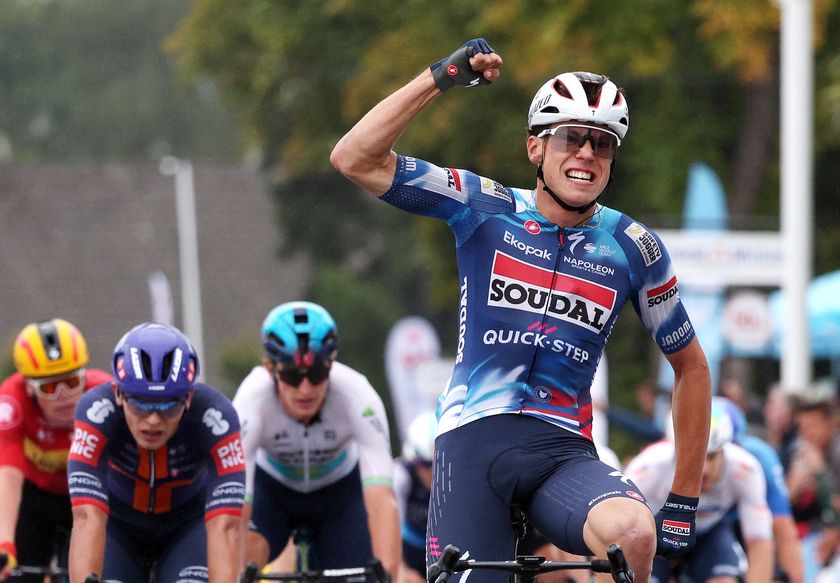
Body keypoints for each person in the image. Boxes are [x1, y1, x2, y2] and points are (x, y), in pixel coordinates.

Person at [330, 38, 712, 583]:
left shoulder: (632, 246)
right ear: (536, 148)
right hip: (474, 443)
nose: (586, 154)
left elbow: (691, 367)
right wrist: (441, 77)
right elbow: (354, 157)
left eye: (602, 144)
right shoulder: (484, 206)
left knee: (633, 534)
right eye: (572, 138)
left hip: (564, 453)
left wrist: (685, 495)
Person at [66, 322, 245, 583]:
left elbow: (225, 526)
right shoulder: (96, 412)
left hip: (188, 525)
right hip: (118, 527)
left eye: (168, 407)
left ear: (189, 397)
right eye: (139, 405)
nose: (152, 421)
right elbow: (86, 517)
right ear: (118, 393)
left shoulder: (216, 416)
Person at [233, 301, 400, 576]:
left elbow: (382, 499)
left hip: (339, 496)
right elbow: (237, 509)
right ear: (269, 368)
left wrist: (388, 574)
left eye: (317, 373)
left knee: (365, 575)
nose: (305, 388)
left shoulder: (358, 396)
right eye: (291, 375)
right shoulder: (251, 402)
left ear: (331, 364)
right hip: (272, 493)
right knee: (244, 564)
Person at [0, 319, 111, 582]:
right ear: (28, 386)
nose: (63, 395)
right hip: (35, 501)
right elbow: (8, 474)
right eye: (49, 387)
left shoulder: (106, 395)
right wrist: (4, 542)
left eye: (72, 382)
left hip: (91, 499)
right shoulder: (11, 401)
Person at [625, 398, 773, 583]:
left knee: (725, 580)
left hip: (708, 533)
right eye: (695, 458)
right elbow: (622, 533)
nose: (704, 470)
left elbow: (759, 541)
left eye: (711, 457)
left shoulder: (745, 470)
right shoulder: (649, 468)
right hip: (655, 535)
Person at [722, 396, 804, 583]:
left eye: (723, 453)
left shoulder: (759, 458)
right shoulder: (664, 462)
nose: (710, 469)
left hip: (741, 523)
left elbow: (783, 527)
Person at [393, 411, 436, 583]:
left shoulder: (460, 476)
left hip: (443, 549)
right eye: (426, 464)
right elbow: (389, 527)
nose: (432, 472)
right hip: (409, 550)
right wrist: (402, 570)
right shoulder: (401, 475)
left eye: (440, 464)